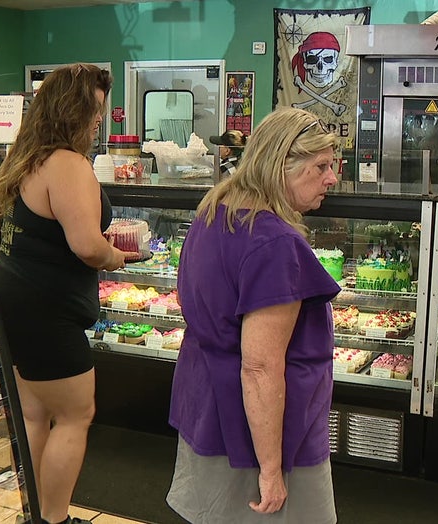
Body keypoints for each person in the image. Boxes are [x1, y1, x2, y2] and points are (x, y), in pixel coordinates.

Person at [167, 107, 340, 523]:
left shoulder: (214, 210)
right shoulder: (274, 244)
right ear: (281, 163)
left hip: (208, 407)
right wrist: (270, 469)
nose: (332, 179)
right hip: (258, 435)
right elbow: (260, 367)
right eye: (321, 167)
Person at [0, 64, 132, 524]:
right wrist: (115, 257)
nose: (98, 122)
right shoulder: (67, 164)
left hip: (14, 300)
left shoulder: (26, 156)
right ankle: (54, 519)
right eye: (95, 112)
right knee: (75, 414)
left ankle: (34, 514)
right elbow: (86, 245)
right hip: (48, 312)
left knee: (34, 415)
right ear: (73, 111)